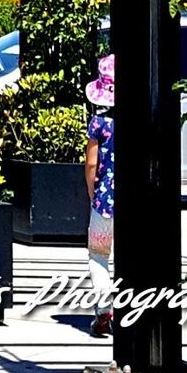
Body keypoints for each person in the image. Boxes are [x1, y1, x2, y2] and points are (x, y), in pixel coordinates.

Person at [84, 53, 115, 338]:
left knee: (98, 255)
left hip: (105, 204)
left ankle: (104, 306)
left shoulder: (98, 124)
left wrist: (94, 193)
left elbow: (92, 164)